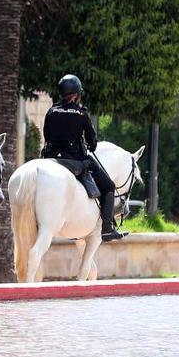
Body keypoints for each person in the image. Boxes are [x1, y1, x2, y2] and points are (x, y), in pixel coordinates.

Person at [41, 74, 127, 242]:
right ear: (76, 94)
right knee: (109, 186)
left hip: (51, 159)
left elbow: (47, 136)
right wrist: (90, 144)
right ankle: (107, 229)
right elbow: (92, 142)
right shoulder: (81, 114)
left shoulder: (51, 111)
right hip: (75, 161)